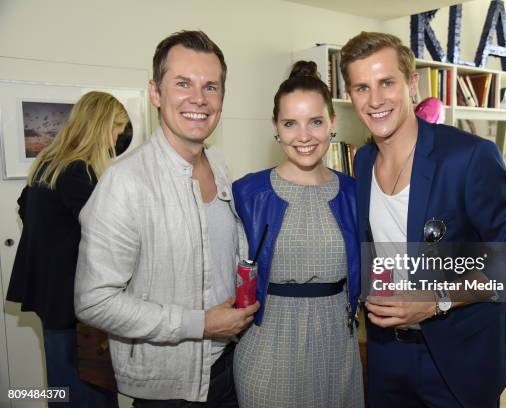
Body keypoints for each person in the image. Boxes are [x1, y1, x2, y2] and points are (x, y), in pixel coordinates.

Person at [340, 32, 506, 407]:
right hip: (387, 355)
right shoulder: (363, 161)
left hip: (458, 359)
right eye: (362, 88)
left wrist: (436, 300)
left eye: (387, 83)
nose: (376, 99)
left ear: (412, 84)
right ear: (351, 96)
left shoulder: (467, 156)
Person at [74, 30, 259, 406]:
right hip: (168, 388)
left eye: (211, 86)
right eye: (182, 83)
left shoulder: (222, 165)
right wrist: (200, 323)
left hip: (230, 368)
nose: (199, 98)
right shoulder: (125, 183)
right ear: (155, 93)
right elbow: (93, 301)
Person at [231, 60, 363, 408]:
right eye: (291, 123)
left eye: (315, 122)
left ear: (332, 122)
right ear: (276, 126)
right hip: (267, 348)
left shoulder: (355, 193)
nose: (304, 136)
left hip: (338, 348)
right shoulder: (247, 193)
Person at [6, 91, 129, 407]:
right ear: (102, 127)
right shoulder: (78, 171)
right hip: (71, 301)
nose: (117, 137)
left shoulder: (48, 163)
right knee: (85, 389)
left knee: (60, 384)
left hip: (51, 296)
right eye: (117, 128)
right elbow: (106, 232)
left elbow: (25, 207)